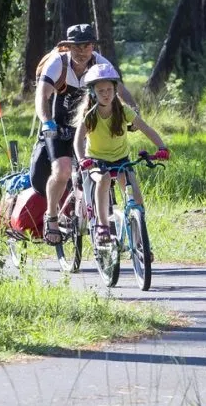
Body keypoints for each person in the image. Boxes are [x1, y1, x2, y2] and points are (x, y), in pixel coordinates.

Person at [34, 23, 135, 244]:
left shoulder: (100, 63)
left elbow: (121, 89)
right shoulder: (57, 64)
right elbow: (42, 96)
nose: (82, 52)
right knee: (61, 170)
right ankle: (51, 216)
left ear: (93, 47)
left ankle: (102, 222)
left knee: (103, 169)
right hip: (58, 126)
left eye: (87, 46)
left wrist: (134, 111)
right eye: (77, 47)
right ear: (68, 47)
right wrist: (46, 122)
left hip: (89, 127)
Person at [73, 62, 169, 245]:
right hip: (96, 161)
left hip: (121, 160)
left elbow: (146, 129)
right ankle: (102, 226)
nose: (106, 94)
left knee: (137, 200)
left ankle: (140, 243)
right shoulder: (90, 115)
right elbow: (78, 140)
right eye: (101, 91)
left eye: (109, 89)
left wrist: (162, 147)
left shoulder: (123, 111)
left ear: (115, 89)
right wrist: (82, 159)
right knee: (104, 179)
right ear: (93, 92)